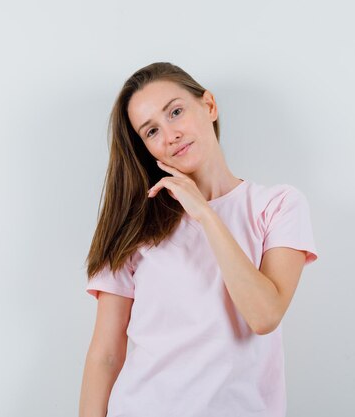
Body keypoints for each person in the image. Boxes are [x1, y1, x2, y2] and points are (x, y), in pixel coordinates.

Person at [78, 62, 318, 417]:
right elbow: (106, 355)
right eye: (151, 131)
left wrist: (205, 213)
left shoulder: (278, 205)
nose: (170, 134)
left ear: (208, 106)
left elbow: (264, 315)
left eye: (176, 112)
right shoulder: (136, 225)